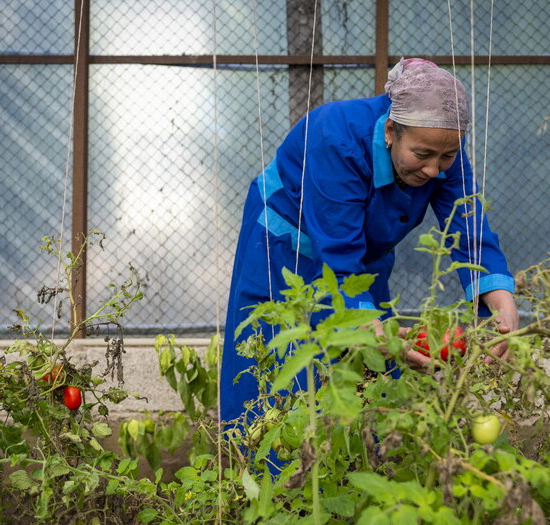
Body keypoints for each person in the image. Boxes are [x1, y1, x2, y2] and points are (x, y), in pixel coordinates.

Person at [220, 58, 518, 425]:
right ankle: (263, 468)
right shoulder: (335, 136)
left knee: (371, 373)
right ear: (391, 131)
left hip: (359, 256)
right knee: (275, 365)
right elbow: (338, 253)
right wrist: (373, 329)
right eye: (422, 155)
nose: (433, 169)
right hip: (284, 249)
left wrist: (500, 304)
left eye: (448, 156)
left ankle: (360, 466)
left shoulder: (437, 142)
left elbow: (470, 229)